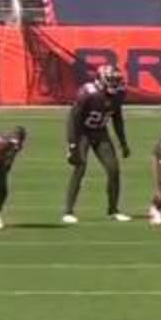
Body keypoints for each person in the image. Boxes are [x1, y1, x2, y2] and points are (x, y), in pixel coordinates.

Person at [63, 65, 130, 224]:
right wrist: (72, 145)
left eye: (116, 80)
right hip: (82, 133)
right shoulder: (88, 93)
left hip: (100, 132)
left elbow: (117, 117)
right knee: (80, 168)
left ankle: (113, 210)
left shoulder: (119, 94)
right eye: (111, 80)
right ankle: (68, 211)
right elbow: (73, 120)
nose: (115, 84)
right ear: (101, 79)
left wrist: (123, 142)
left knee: (113, 169)